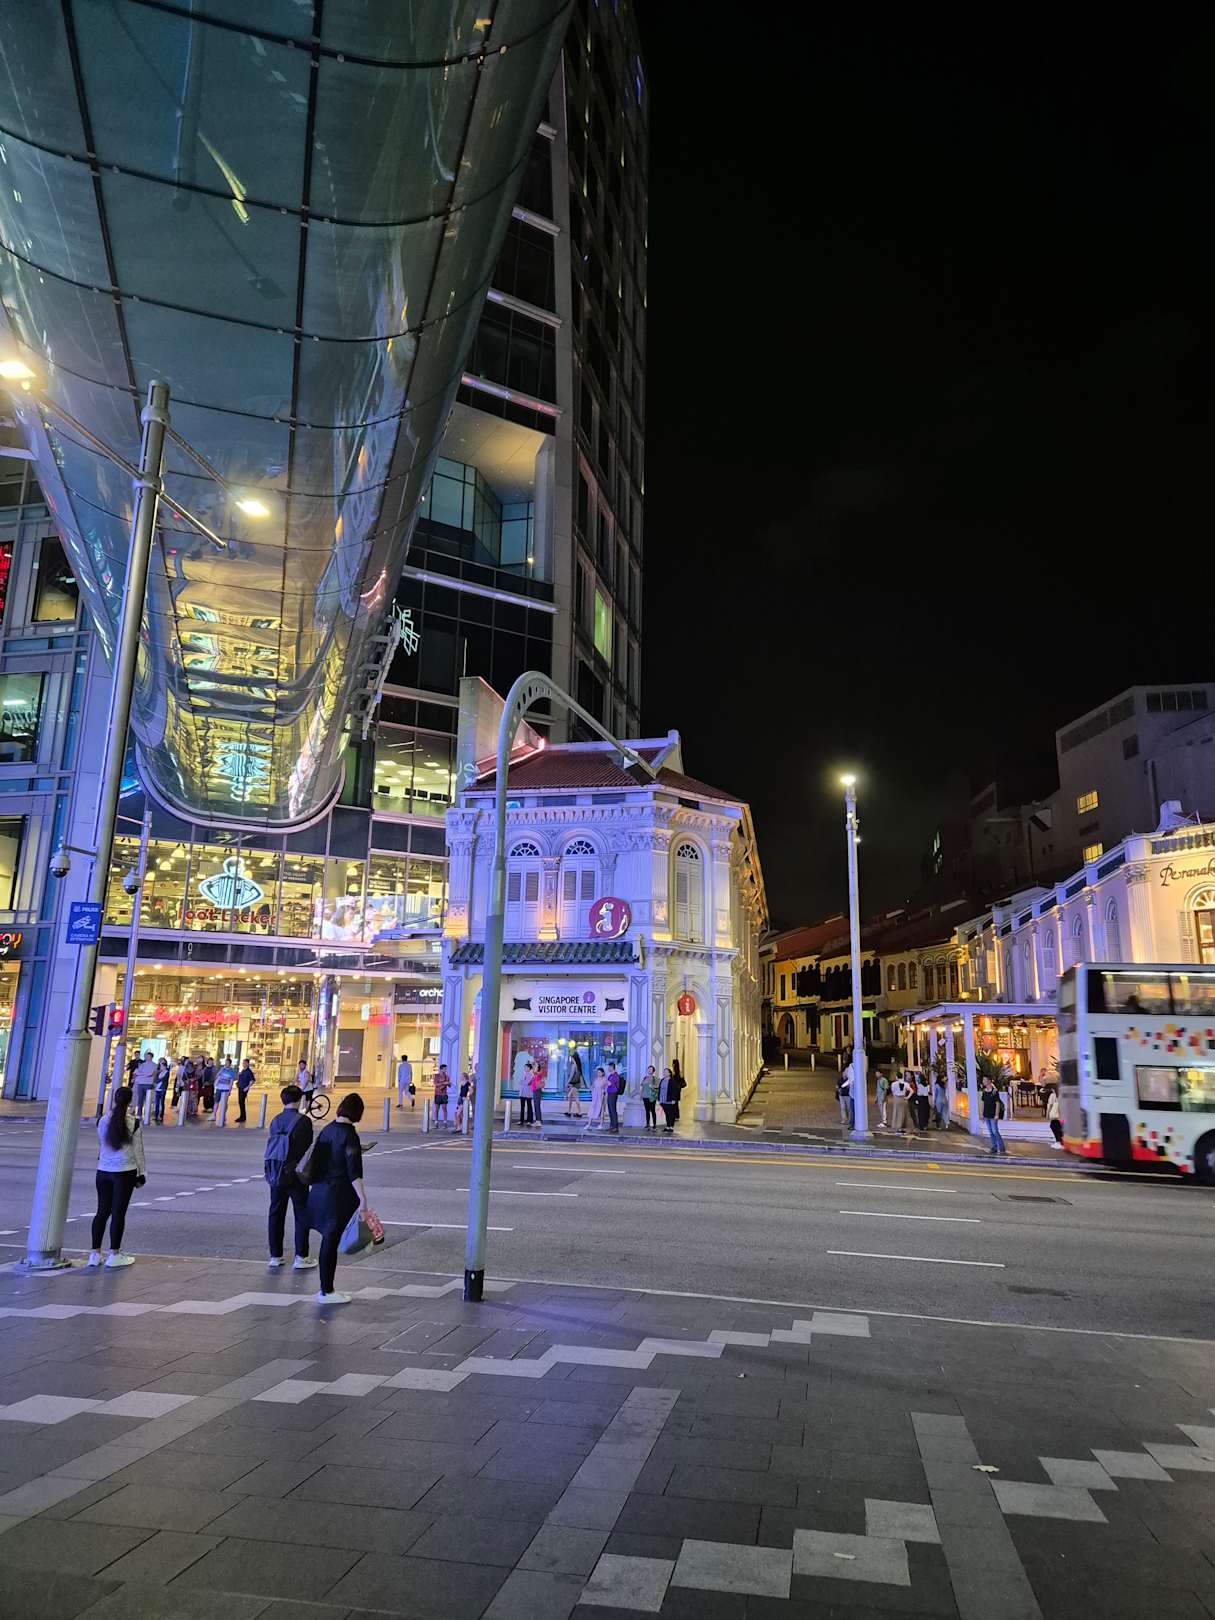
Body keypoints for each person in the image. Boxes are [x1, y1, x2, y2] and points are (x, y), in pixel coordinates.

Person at [306, 1093, 370, 1306]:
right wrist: (362, 1199)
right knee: (331, 1241)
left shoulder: (328, 1129)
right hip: (337, 1194)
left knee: (328, 1239)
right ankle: (326, 1291)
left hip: (320, 1191)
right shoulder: (350, 1135)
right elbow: (354, 1172)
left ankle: (326, 1289)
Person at [86, 1085, 146, 1269]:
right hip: (125, 1171)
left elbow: (101, 1144)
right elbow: (138, 1151)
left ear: (114, 1099)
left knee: (101, 1212)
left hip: (103, 1171)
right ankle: (114, 1254)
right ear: (130, 1101)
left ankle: (95, 1254)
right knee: (118, 1213)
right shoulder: (133, 1123)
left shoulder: (102, 1120)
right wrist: (141, 1174)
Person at [264, 1084, 317, 1271]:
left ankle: (275, 1255)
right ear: (300, 1099)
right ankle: (301, 1256)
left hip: (275, 1171)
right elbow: (307, 1148)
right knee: (301, 1213)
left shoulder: (275, 1120)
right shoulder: (304, 1121)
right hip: (295, 1174)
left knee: (276, 1212)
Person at [980, 1077, 1007, 1156]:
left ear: (989, 1081)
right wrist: (982, 1114)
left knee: (995, 1131)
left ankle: (1001, 1147)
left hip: (993, 1114)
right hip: (986, 1114)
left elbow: (997, 1103)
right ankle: (994, 1147)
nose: (983, 1081)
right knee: (991, 1132)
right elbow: (983, 1103)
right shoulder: (984, 1091)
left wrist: (996, 1115)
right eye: (983, 1080)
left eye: (985, 1080)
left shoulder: (994, 1091)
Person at [131, 1051, 157, 1120]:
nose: (146, 1057)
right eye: (146, 1056)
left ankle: (147, 1113)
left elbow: (151, 1074)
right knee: (140, 1099)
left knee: (148, 1099)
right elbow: (137, 1072)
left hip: (148, 1084)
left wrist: (142, 1074)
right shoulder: (142, 1064)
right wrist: (144, 1074)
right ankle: (139, 1114)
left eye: (147, 1056)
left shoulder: (154, 1065)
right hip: (140, 1083)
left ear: (151, 1057)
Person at [657, 1065, 683, 1133]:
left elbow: (674, 1091)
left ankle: (671, 1127)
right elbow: (660, 1089)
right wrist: (659, 1098)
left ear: (669, 1073)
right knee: (666, 1114)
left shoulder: (672, 1081)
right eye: (664, 1072)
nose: (664, 1073)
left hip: (669, 1100)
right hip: (663, 1100)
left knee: (670, 1114)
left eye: (666, 1072)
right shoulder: (662, 1080)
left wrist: (673, 1099)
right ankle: (667, 1126)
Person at [213, 1058, 236, 1127]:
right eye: (225, 1062)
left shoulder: (232, 1071)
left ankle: (223, 1115)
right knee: (216, 1101)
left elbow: (231, 1082)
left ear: (230, 1064)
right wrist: (219, 1074)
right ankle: (214, 1115)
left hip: (226, 1089)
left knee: (224, 1103)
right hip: (219, 1087)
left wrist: (229, 1090)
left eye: (227, 1062)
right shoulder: (222, 1069)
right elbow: (217, 1076)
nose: (226, 1064)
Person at [605, 1061, 624, 1134]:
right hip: (609, 1093)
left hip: (613, 1093)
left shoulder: (615, 1075)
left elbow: (609, 1083)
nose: (608, 1069)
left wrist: (606, 1081)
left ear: (612, 1068)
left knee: (613, 1110)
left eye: (609, 1067)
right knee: (610, 1110)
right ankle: (612, 1126)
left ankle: (615, 1127)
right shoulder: (610, 1075)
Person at [565, 1051, 584, 1118]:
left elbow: (571, 1076)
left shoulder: (574, 1066)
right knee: (570, 1096)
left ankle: (579, 1112)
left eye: (571, 1058)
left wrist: (567, 1083)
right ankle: (569, 1111)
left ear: (573, 1058)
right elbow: (580, 1075)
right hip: (576, 1083)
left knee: (575, 1097)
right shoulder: (579, 1066)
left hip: (574, 1084)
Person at [236, 1059, 255, 1124]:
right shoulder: (243, 1070)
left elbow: (252, 1080)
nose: (243, 1064)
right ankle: (242, 1116)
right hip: (240, 1088)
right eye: (243, 1063)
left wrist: (247, 1087)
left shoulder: (249, 1071)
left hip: (244, 1089)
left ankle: (243, 1117)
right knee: (240, 1102)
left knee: (241, 1102)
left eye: (244, 1063)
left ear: (247, 1064)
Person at [152, 1058, 170, 1125]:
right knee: (157, 1102)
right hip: (157, 1089)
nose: (161, 1067)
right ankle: (156, 1115)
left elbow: (163, 1079)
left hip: (162, 1089)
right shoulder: (160, 1072)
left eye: (162, 1066)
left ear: (164, 1066)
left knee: (162, 1102)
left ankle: (161, 1116)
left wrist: (157, 1081)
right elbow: (156, 1079)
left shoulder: (167, 1072)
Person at [837, 1061, 854, 1130]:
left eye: (847, 1071)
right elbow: (838, 1086)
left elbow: (849, 1085)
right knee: (843, 1107)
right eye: (845, 1072)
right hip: (841, 1095)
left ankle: (850, 1120)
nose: (845, 1073)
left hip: (848, 1095)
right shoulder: (840, 1079)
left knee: (849, 1108)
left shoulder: (850, 1079)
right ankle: (844, 1119)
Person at [641, 1065, 659, 1130]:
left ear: (653, 1071)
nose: (649, 1070)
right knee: (647, 1111)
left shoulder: (655, 1078)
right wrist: (641, 1095)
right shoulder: (645, 1078)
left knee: (653, 1110)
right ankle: (647, 1124)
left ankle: (654, 1125)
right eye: (648, 1069)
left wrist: (653, 1086)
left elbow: (658, 1086)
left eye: (651, 1069)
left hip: (652, 1097)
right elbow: (642, 1086)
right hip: (645, 1096)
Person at [517, 1061, 534, 1127]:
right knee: (522, 1107)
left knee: (529, 1106)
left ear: (529, 1068)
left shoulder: (531, 1075)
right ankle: (521, 1120)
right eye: (524, 1067)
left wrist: (523, 1082)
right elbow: (519, 1081)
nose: (524, 1068)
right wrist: (524, 1082)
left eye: (526, 1067)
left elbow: (528, 1083)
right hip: (522, 1092)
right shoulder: (523, 1074)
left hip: (528, 1093)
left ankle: (529, 1120)